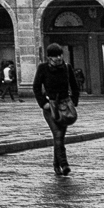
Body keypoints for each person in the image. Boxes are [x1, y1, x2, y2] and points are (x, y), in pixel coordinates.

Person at [31, 43, 78, 176]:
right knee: (57, 134)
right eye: (54, 56)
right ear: (49, 57)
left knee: (60, 137)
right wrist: (43, 103)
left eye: (60, 55)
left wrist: (73, 102)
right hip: (50, 106)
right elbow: (36, 87)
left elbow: (75, 86)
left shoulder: (67, 68)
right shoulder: (43, 68)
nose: (58, 58)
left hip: (65, 106)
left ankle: (56, 164)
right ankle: (64, 164)